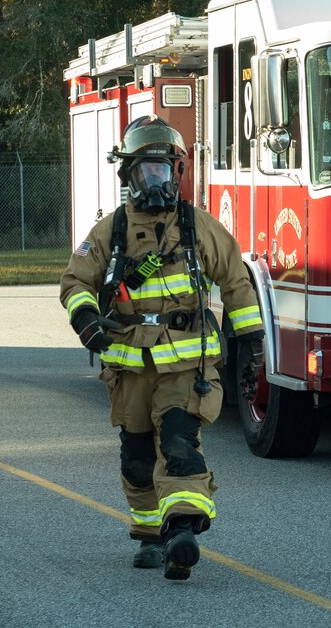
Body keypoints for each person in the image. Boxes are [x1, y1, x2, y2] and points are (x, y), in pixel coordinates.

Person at [60, 115, 264, 580]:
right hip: (130, 368)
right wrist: (88, 321)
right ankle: (150, 533)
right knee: (136, 456)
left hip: (186, 366)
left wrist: (252, 344)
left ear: (178, 173)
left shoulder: (197, 228)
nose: (158, 180)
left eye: (165, 170)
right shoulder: (110, 232)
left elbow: (236, 280)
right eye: (147, 171)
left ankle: (183, 530)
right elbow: (75, 282)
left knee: (179, 441)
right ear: (129, 175)